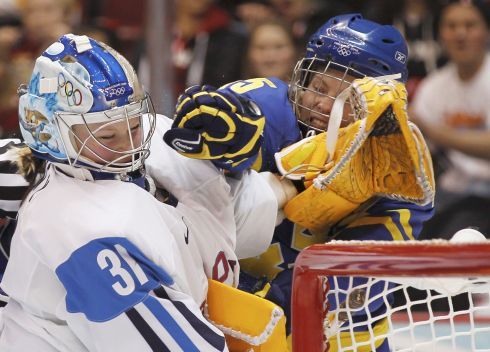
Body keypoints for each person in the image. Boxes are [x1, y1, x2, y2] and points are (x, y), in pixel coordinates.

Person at [164, 13, 435, 351]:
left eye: (345, 98)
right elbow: (223, 136)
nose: (322, 104)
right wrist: (224, 141)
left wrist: (282, 301)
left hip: (345, 330)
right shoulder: (269, 107)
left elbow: (360, 267)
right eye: (318, 87)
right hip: (234, 305)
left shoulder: (401, 166)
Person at [0, 34, 281, 351]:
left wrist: (237, 162)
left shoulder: (146, 140)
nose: (129, 145)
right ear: (52, 135)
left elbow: (217, 209)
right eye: (107, 134)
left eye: (133, 124)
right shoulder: (85, 232)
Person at [410, 0, 490, 239]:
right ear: (440, 35)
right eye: (451, 26)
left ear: (486, 31)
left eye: (469, 25)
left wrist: (430, 129)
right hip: (448, 193)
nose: (460, 34)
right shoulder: (432, 87)